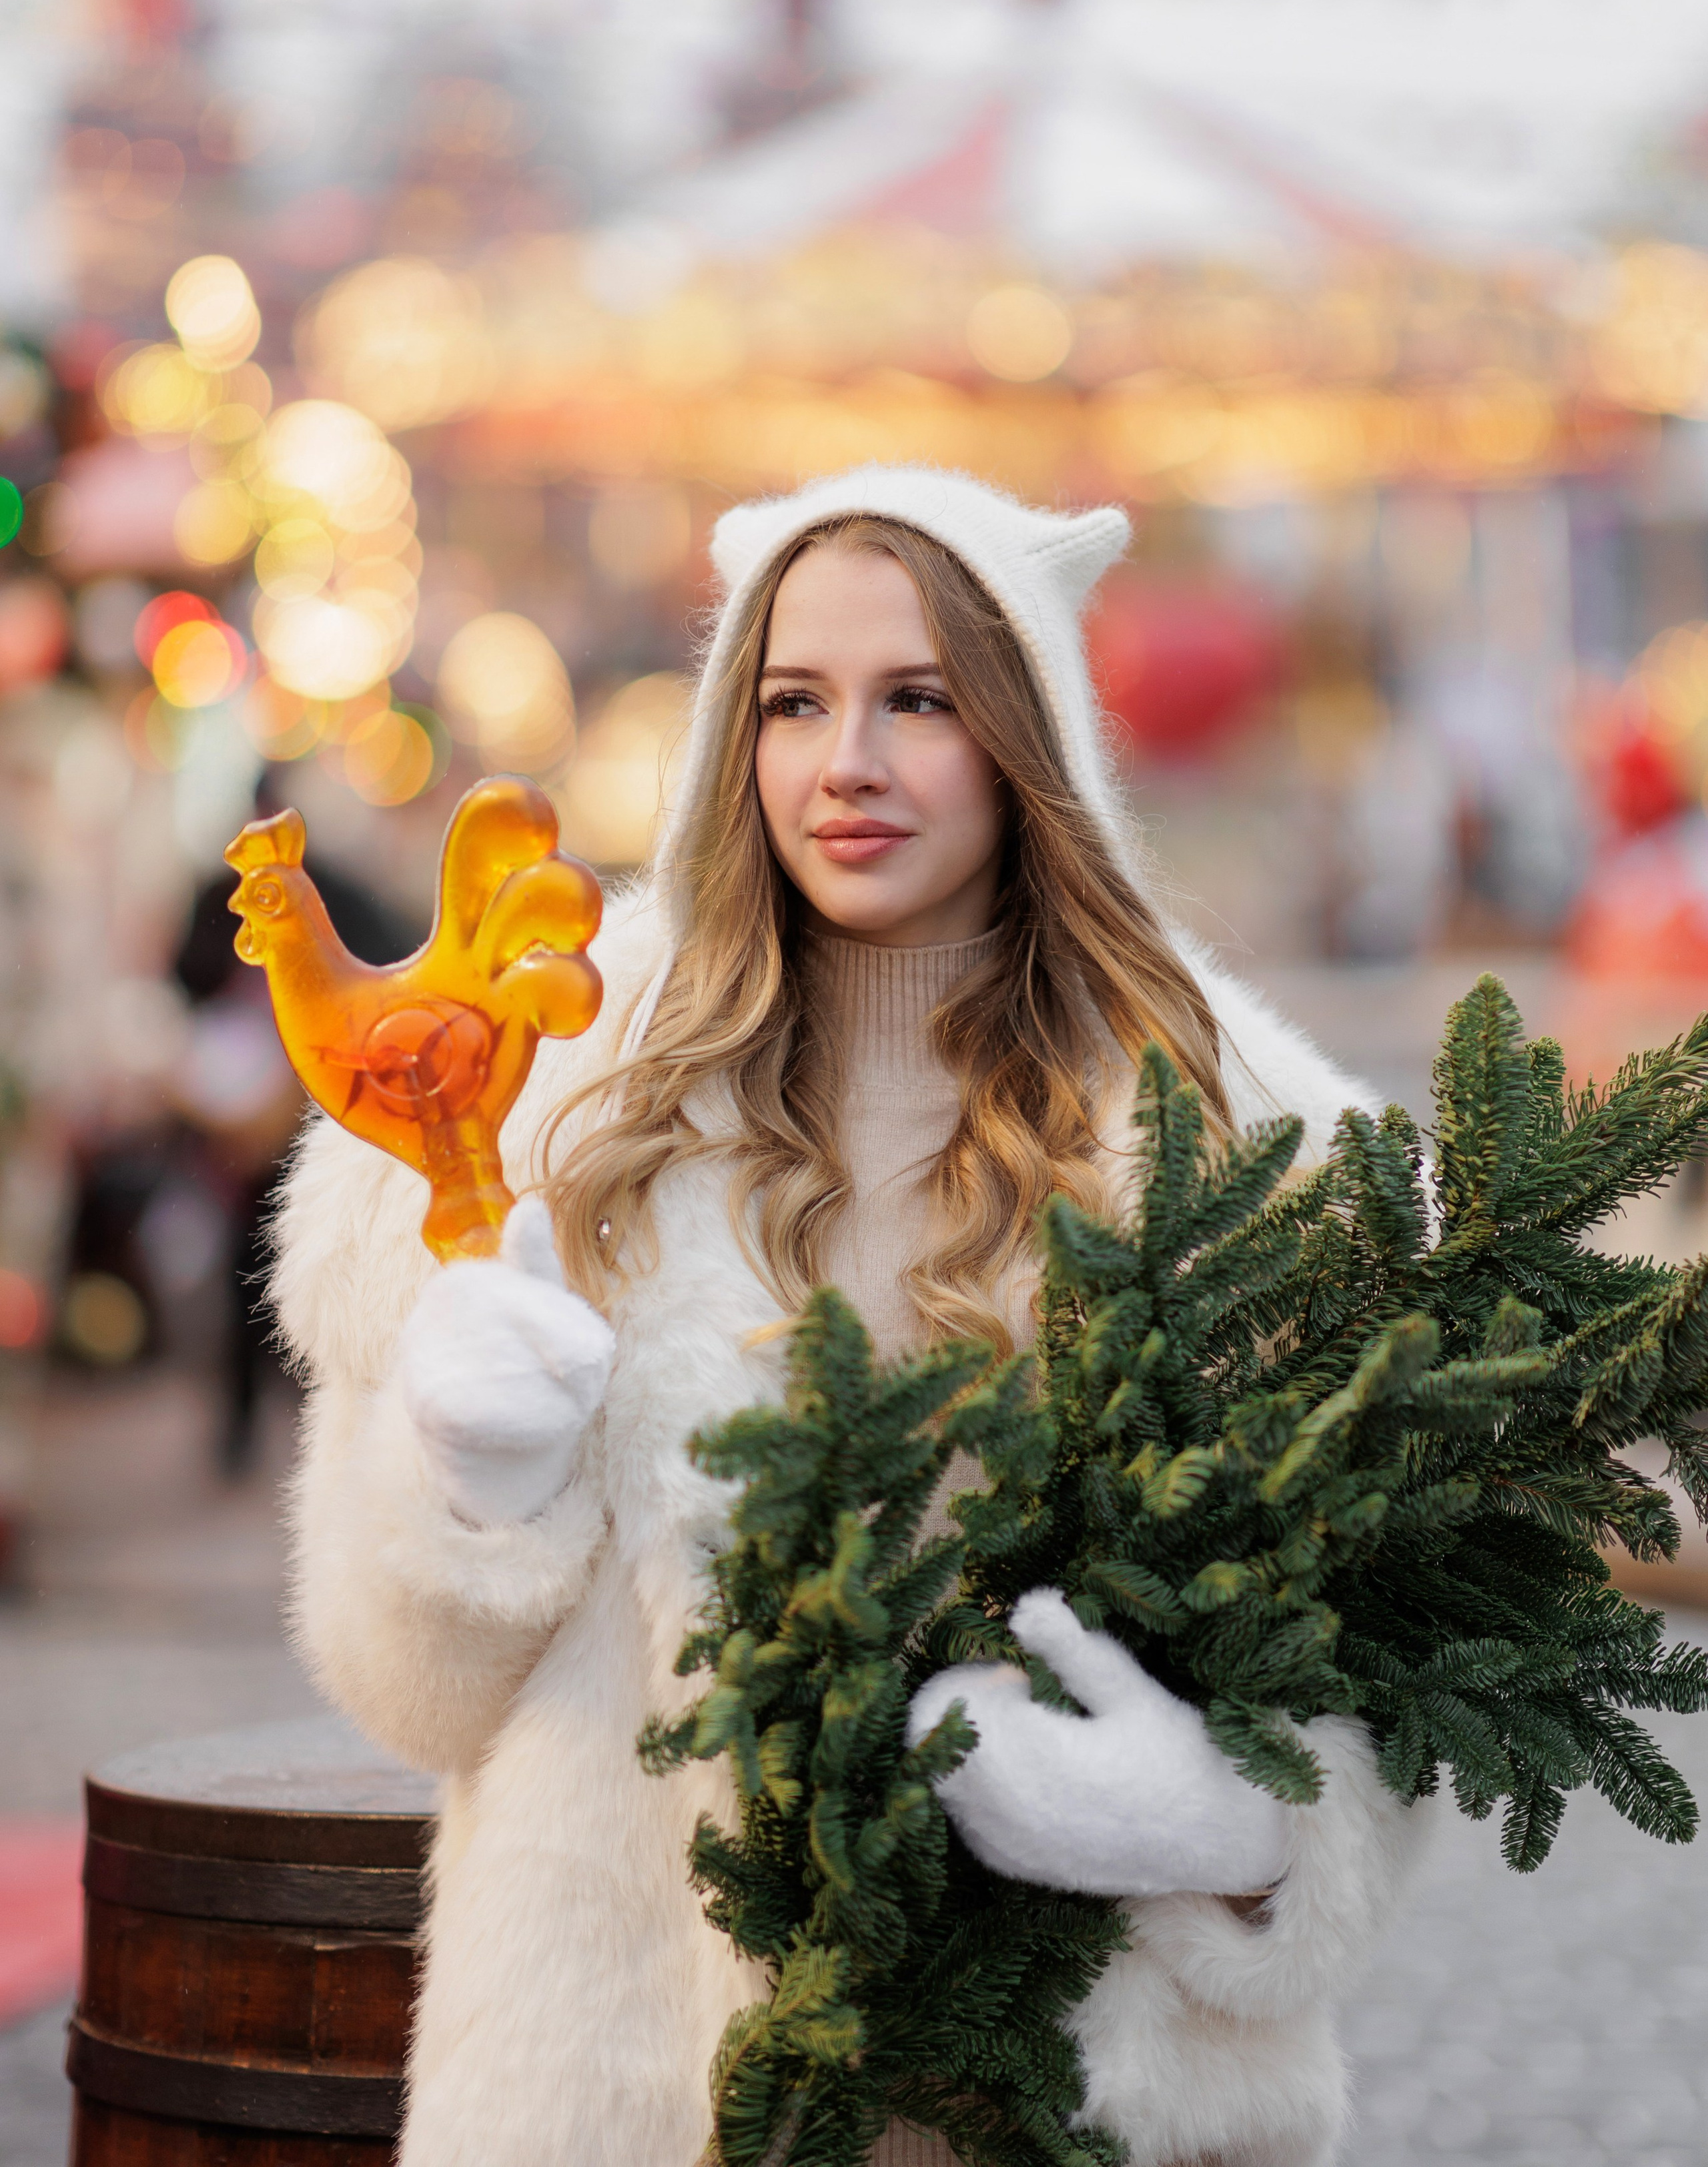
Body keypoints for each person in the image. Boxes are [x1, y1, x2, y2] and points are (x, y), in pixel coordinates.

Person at [273, 468, 1429, 2167]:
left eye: (920, 702)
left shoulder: (1243, 1148)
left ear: (1025, 739)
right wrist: (460, 1483)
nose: (847, 766)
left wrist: (1238, 1820)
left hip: (1070, 2097)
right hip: (639, 2096)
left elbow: (1407, 1651)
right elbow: (412, 1693)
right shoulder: (555, 1108)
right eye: (793, 702)